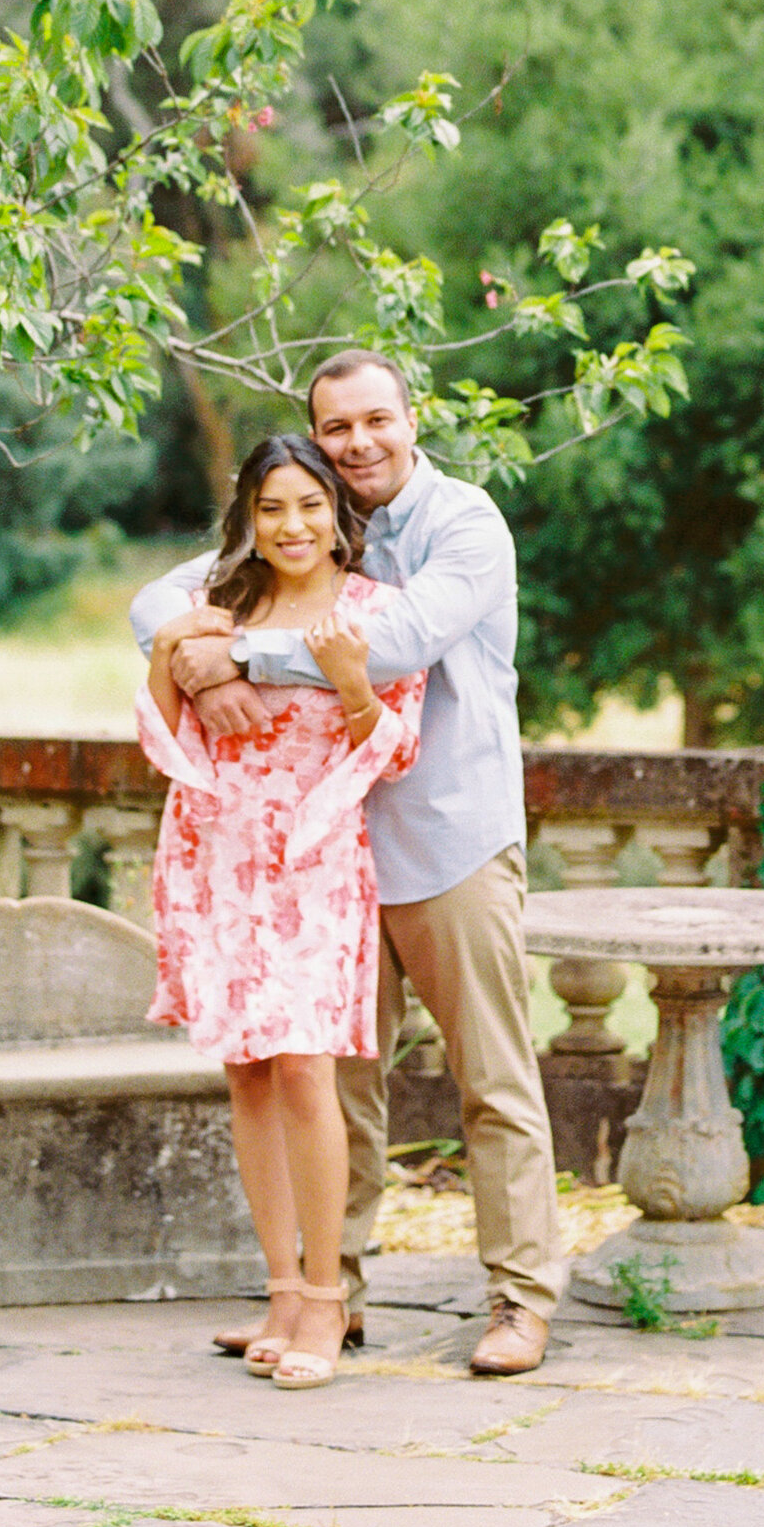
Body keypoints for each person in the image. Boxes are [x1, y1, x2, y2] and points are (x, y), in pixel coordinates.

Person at [131, 353, 567, 1376]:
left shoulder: (464, 523)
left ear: (413, 422)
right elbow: (158, 599)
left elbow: (400, 639)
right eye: (337, 427)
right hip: (316, 863)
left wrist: (237, 655)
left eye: (377, 420)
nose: (359, 441)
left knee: (490, 1077)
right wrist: (192, 640)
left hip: (445, 835)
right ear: (315, 438)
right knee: (333, 1082)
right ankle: (330, 1296)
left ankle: (519, 1299)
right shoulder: (304, 519)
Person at [137, 431, 424, 1390]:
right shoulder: (221, 604)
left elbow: (395, 751)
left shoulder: (378, 612)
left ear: (336, 515)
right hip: (215, 851)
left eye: (309, 505)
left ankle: (328, 1301)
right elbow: (163, 727)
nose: (292, 525)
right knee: (249, 1073)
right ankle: (279, 1290)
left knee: (306, 1068)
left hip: (314, 854)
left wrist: (349, 679)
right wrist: (178, 660)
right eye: (271, 508)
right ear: (248, 521)